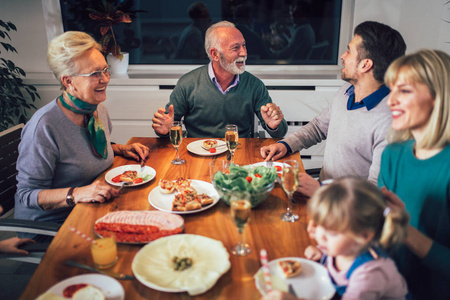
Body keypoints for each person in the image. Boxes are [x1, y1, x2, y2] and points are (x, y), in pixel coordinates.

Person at [14, 31, 149, 241]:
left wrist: (119, 148)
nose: (105, 79)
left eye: (106, 70)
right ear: (68, 81)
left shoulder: (97, 109)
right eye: (95, 74)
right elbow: (27, 195)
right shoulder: (43, 127)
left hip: (90, 208)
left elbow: (79, 150)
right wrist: (77, 193)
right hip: (53, 224)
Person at [260, 21, 406, 197]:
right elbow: (318, 127)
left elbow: (375, 192)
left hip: (347, 212)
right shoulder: (346, 91)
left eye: (349, 51)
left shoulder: (389, 121)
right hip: (322, 195)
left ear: (365, 65)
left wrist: (321, 191)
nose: (343, 56)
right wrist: (285, 145)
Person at [378, 49, 450, 300]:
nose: (390, 100)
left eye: (404, 91)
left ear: (438, 97)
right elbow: (381, 231)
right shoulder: (393, 155)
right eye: (392, 89)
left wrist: (404, 230)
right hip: (389, 286)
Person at [264, 178, 409, 300]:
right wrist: (320, 251)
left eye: (331, 231)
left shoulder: (369, 275)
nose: (320, 235)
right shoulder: (343, 248)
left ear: (363, 236)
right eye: (320, 225)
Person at [152, 21, 288, 138]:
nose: (244, 53)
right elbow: (167, 125)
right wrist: (163, 131)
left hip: (238, 152)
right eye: (236, 48)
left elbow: (280, 132)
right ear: (215, 54)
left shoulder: (254, 85)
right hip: (197, 155)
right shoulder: (188, 83)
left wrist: (274, 126)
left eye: (244, 45)